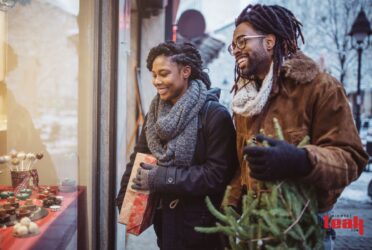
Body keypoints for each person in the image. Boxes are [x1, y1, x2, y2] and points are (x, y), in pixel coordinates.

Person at [226, 4, 369, 249]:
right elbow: (242, 168)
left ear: (269, 42)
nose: (236, 51)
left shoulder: (320, 87)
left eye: (242, 41)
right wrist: (229, 211)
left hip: (305, 227)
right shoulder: (245, 102)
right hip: (255, 228)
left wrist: (301, 161)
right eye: (233, 45)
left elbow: (352, 159)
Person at [116, 41, 238, 250]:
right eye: (154, 75)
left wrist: (160, 178)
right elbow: (140, 156)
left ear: (185, 72)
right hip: (165, 224)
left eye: (163, 73)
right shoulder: (154, 114)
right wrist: (124, 200)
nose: (156, 81)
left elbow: (217, 176)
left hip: (203, 229)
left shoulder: (214, 115)